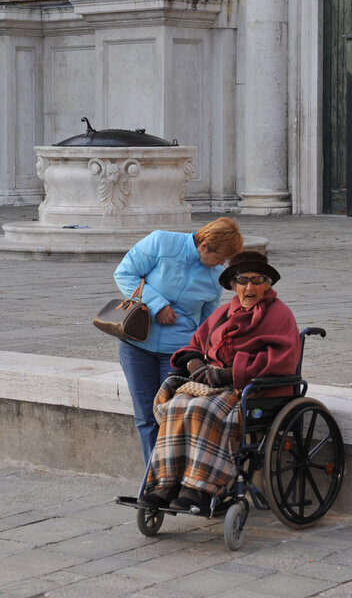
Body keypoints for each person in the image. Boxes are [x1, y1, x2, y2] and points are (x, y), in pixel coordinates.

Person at [138, 250, 300, 512]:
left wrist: (228, 374)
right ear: (233, 285)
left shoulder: (279, 315)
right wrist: (196, 364)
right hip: (214, 385)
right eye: (243, 280)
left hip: (254, 389)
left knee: (203, 410)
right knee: (178, 404)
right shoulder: (226, 312)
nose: (249, 287)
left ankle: (200, 489)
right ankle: (167, 484)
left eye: (257, 280)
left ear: (267, 284)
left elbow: (281, 360)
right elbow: (195, 343)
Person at [113, 217, 243, 466]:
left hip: (177, 352)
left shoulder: (215, 277)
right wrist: (157, 304)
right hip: (136, 345)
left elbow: (208, 323)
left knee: (172, 416)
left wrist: (212, 355)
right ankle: (154, 478)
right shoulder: (161, 242)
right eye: (221, 257)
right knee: (145, 416)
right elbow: (124, 273)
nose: (222, 264)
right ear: (205, 246)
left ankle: (172, 477)